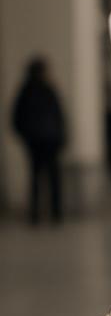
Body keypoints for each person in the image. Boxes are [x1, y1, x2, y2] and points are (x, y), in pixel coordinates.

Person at [10, 57, 66, 225]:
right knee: (48, 177)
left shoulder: (27, 91)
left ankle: (41, 214)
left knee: (38, 177)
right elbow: (59, 116)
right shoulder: (44, 90)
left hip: (39, 141)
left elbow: (16, 119)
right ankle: (53, 213)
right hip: (45, 140)